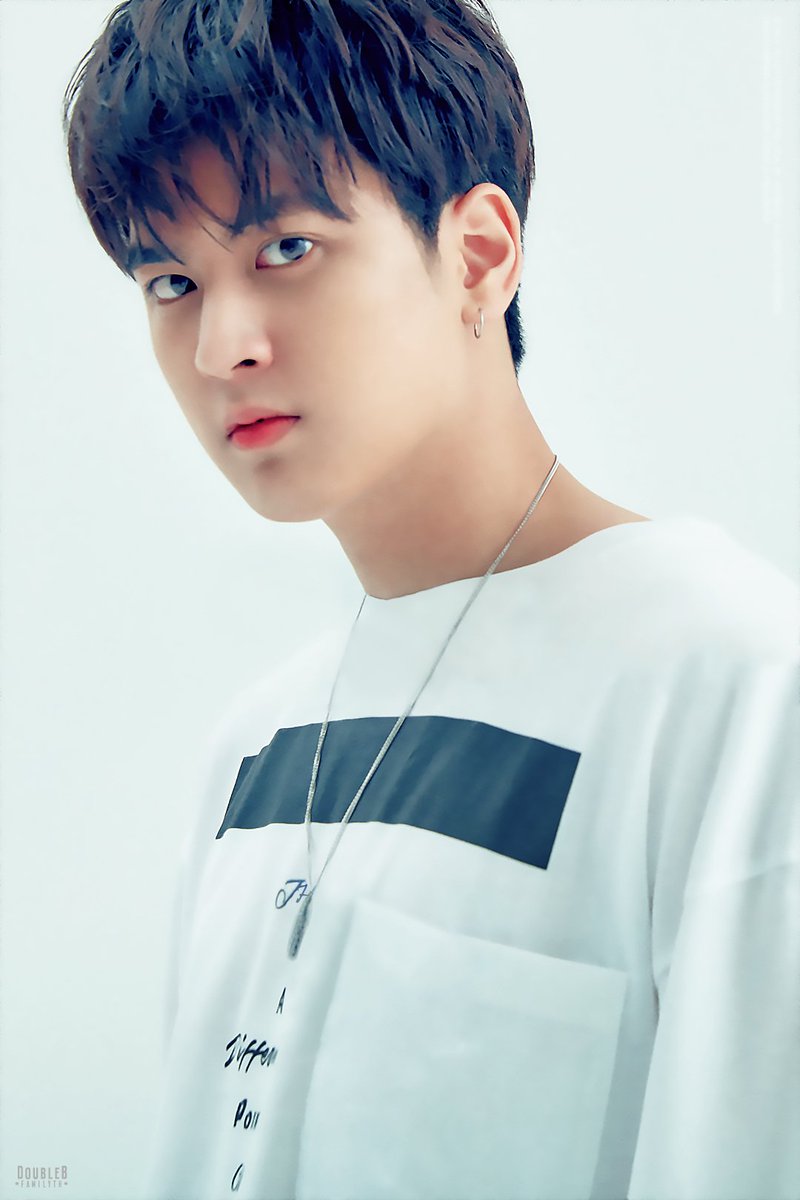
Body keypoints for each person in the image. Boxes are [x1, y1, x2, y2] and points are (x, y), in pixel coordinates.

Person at [62, 1, 798, 1197]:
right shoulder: (250, 749)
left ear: (478, 256)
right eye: (170, 280)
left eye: (285, 249)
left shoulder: (740, 694)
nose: (219, 346)